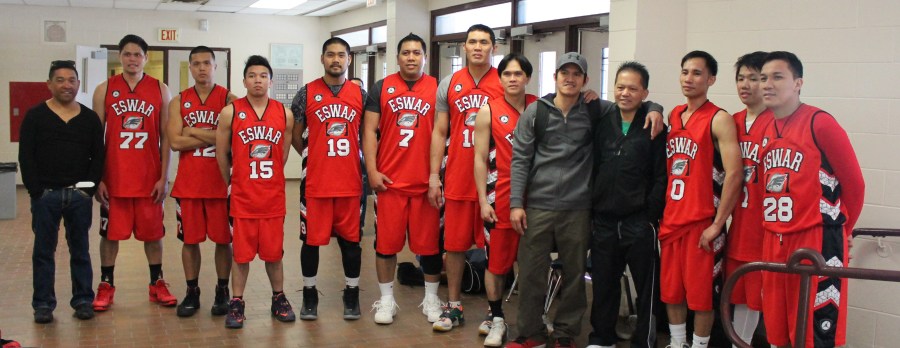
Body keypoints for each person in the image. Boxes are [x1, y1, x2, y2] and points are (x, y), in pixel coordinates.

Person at [758, 51, 864, 348]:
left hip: (815, 237)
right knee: (778, 331)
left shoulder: (820, 122)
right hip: (775, 236)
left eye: (777, 77)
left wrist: (844, 229)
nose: (767, 84)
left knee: (815, 335)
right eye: (764, 78)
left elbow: (855, 184)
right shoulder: (767, 126)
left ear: (798, 83)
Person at [659, 50, 742, 348]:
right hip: (672, 221)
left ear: (711, 79)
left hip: (702, 222)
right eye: (685, 72)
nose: (688, 78)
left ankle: (699, 346)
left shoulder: (719, 119)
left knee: (702, 294)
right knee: (672, 292)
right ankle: (678, 342)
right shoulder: (673, 114)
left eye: (696, 73)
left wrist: (718, 224)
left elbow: (735, 174)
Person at [362, 33, 444, 325]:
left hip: (425, 185)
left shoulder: (437, 87)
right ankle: (386, 301)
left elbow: (444, 131)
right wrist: (371, 170)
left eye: (416, 52)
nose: (411, 57)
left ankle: (432, 299)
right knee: (385, 246)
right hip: (390, 183)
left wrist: (437, 176)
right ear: (396, 58)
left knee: (431, 247)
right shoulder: (381, 87)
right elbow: (369, 131)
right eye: (405, 52)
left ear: (424, 56)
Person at [428, 23, 505, 332]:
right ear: (463, 46)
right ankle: (454, 307)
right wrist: (434, 175)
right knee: (455, 246)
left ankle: (493, 311)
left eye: (484, 42)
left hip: (494, 180)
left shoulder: (506, 81)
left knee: (495, 250)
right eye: (472, 41)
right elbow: (439, 131)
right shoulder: (449, 82)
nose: (477, 47)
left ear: (493, 48)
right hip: (458, 175)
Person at [91, 34, 175, 312]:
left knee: (154, 235)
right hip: (115, 179)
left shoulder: (160, 89)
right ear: (120, 56)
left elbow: (166, 137)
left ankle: (156, 283)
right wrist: (98, 178)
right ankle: (106, 284)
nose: (132, 59)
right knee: (110, 236)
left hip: (148, 178)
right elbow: (96, 138)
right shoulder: (105, 89)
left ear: (145, 58)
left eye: (137, 54)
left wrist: (164, 177)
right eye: (127, 54)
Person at [586, 61, 667, 348]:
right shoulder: (602, 120)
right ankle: (601, 337)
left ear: (644, 92)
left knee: (647, 288)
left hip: (639, 222)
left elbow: (661, 175)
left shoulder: (654, 124)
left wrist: (650, 215)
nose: (625, 93)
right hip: (604, 221)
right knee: (604, 284)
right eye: (620, 87)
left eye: (633, 88)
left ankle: (644, 340)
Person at [19, 60, 104, 323]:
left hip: (78, 197)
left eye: (72, 80)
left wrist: (87, 191)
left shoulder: (89, 118)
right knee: (44, 251)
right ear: (49, 84)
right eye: (60, 80)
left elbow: (98, 157)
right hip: (46, 196)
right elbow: (26, 156)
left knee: (80, 250)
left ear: (78, 84)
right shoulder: (35, 116)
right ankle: (43, 304)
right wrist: (36, 191)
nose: (67, 85)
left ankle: (83, 301)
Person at [215, 55, 295, 329]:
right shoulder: (231, 111)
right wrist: (233, 181)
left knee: (274, 254)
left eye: (263, 75)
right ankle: (237, 302)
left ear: (270, 80)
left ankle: (279, 298)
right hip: (242, 197)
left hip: (272, 197)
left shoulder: (284, 113)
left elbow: (281, 155)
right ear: (244, 80)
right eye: (252, 75)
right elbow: (221, 154)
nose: (257, 80)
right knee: (241, 255)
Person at [289, 37, 365, 321]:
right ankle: (310, 295)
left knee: (351, 243)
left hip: (351, 183)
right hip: (316, 184)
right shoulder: (306, 93)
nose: (336, 59)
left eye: (341, 55)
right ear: (322, 58)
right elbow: (296, 135)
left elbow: (369, 135)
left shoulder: (361, 93)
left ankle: (352, 293)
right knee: (311, 242)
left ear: (348, 60)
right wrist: (314, 153)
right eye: (330, 54)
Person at [167, 46, 238, 318]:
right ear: (190, 67)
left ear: (215, 66)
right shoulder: (179, 101)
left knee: (224, 240)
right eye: (196, 63)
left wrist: (194, 130)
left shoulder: (230, 99)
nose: (201, 68)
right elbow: (175, 142)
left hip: (221, 182)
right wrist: (214, 134)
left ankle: (222, 290)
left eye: (206, 63)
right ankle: (192, 291)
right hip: (189, 184)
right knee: (190, 241)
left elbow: (231, 140)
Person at [472, 53, 538, 346]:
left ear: (527, 78)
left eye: (518, 74)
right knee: (496, 263)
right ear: (500, 79)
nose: (513, 79)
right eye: (507, 74)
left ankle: (533, 319)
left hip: (536, 197)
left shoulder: (541, 107)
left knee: (533, 262)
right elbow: (478, 158)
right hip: (498, 196)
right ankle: (497, 317)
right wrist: (482, 201)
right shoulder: (488, 110)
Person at [724, 51, 771, 347]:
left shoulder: (779, 121)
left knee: (768, 303)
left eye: (753, 78)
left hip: (768, 230)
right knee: (740, 299)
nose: (745, 85)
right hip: (739, 226)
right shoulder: (731, 121)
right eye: (741, 78)